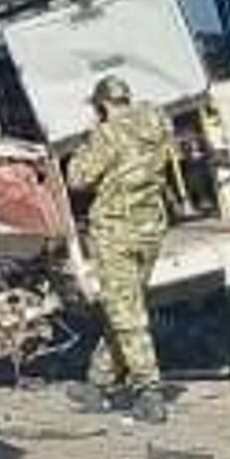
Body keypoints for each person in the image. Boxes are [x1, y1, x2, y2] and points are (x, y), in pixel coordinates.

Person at [65, 74, 178, 424]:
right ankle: (98, 383)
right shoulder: (159, 121)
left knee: (127, 314)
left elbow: (77, 177)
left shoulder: (107, 133)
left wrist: (89, 137)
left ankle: (149, 391)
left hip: (116, 228)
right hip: (151, 226)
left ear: (102, 104)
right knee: (124, 306)